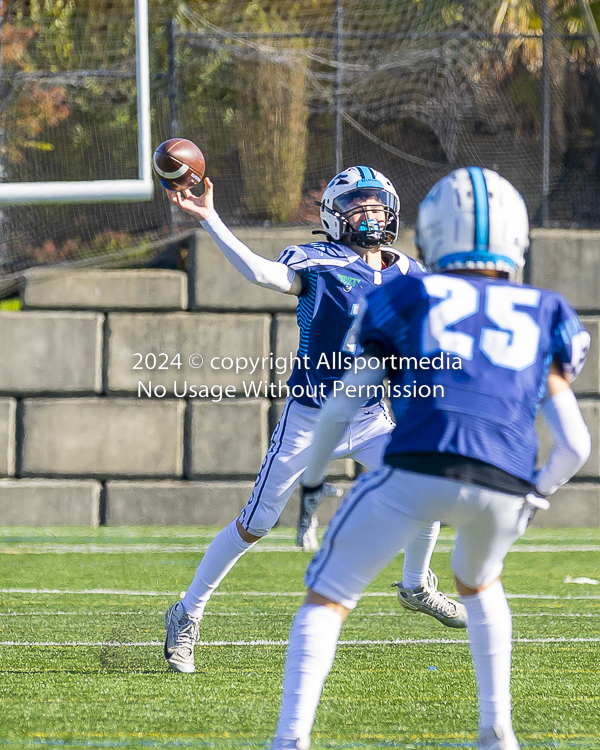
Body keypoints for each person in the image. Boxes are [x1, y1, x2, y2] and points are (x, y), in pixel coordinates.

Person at [269, 167, 592, 750]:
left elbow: (343, 408)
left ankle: (289, 740)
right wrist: (535, 495)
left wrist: (313, 482)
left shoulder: (406, 294)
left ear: (432, 233)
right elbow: (576, 446)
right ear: (518, 238)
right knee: (480, 582)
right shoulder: (545, 309)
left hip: (415, 469)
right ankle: (497, 734)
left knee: (327, 596)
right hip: (505, 481)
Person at [161, 165, 467, 674]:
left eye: (377, 203)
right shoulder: (317, 262)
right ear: (333, 214)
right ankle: (185, 612)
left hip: (370, 416)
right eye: (357, 203)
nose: (369, 212)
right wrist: (210, 217)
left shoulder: (411, 272)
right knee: (256, 523)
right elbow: (261, 273)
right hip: (311, 419)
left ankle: (416, 586)